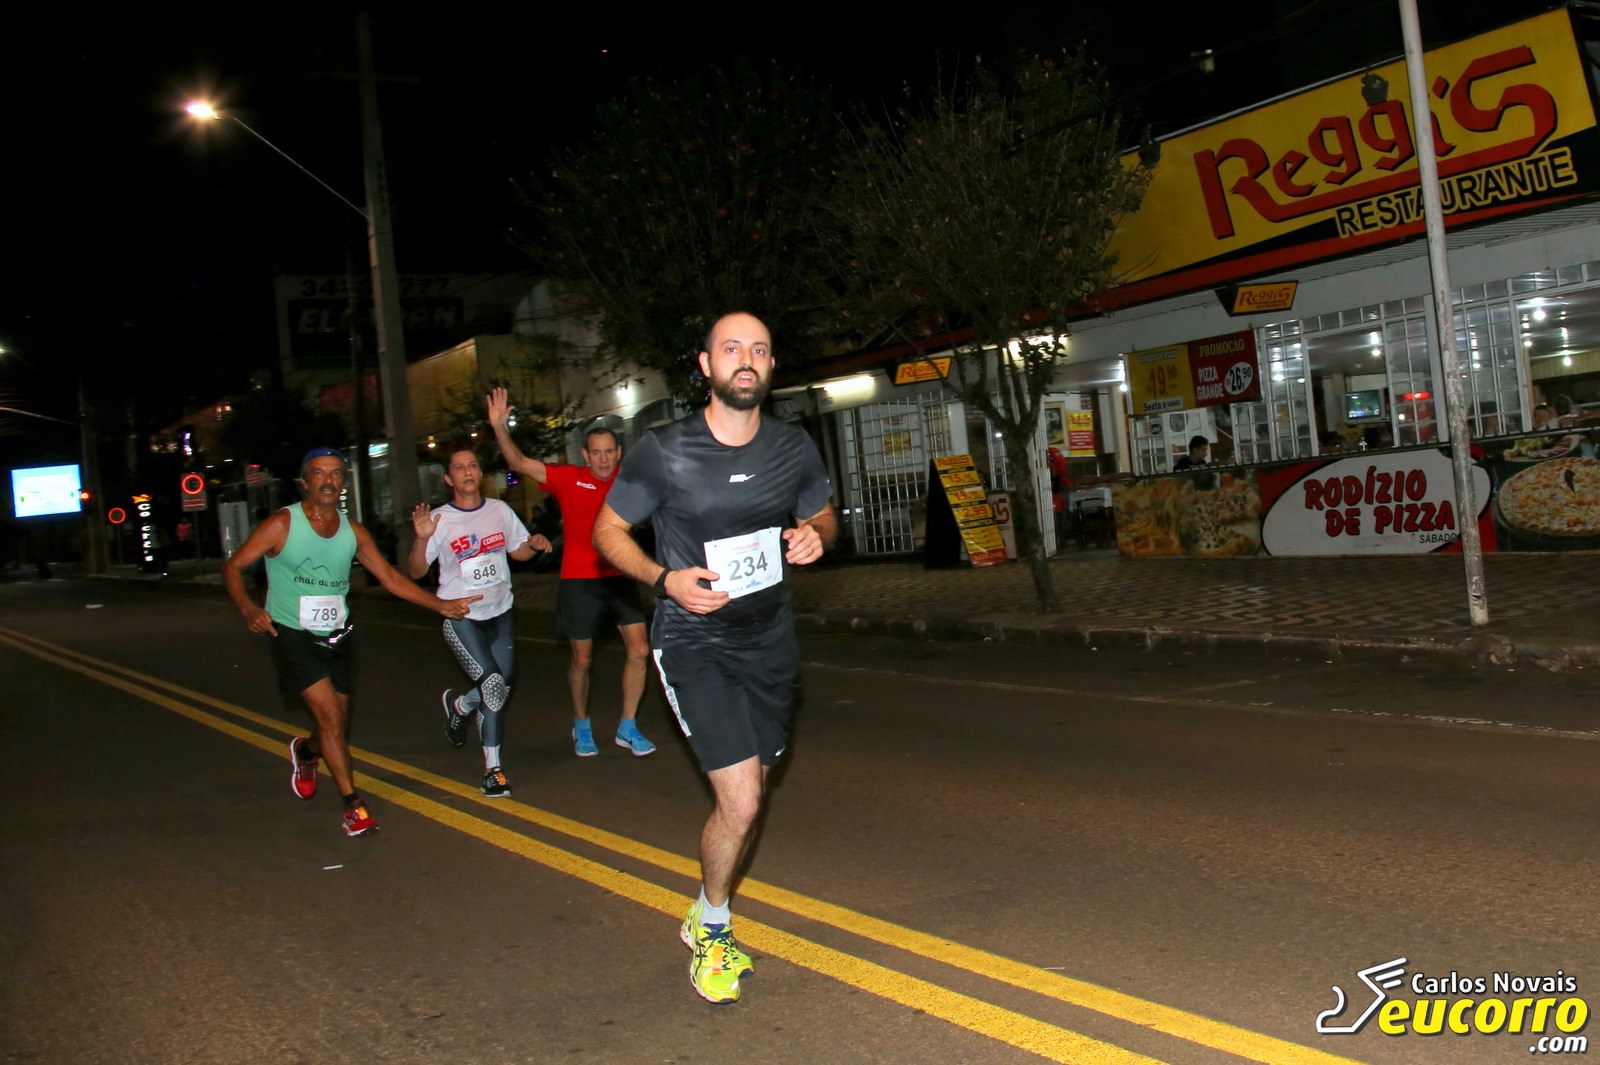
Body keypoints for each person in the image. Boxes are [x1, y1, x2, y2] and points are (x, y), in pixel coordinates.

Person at [593, 311, 837, 1005]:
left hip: (770, 643)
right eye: (732, 348)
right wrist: (663, 579)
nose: (746, 359)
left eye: (759, 349)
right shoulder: (664, 450)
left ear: (771, 365)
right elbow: (608, 530)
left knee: (752, 795)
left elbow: (822, 513)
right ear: (706, 364)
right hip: (693, 641)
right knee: (742, 798)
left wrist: (816, 535)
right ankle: (715, 930)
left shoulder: (792, 446)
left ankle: (702, 907)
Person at [223, 447, 481, 837]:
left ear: (344, 482)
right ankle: (352, 806)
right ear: (305, 481)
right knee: (329, 715)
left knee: (334, 723)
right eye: (319, 473)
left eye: (336, 474)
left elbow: (390, 578)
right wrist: (247, 609)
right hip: (291, 633)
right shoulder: (282, 524)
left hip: (337, 635)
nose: (328, 481)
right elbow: (234, 566)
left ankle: (306, 752)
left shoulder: (353, 532)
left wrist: (439, 605)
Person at [487, 389, 656, 758]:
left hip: (620, 575)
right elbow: (519, 463)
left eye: (609, 451)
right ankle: (581, 725)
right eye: (596, 452)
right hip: (579, 579)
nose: (603, 459)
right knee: (582, 659)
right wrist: (499, 427)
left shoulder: (629, 480)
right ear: (585, 455)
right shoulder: (568, 478)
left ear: (618, 452)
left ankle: (627, 727)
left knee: (641, 650)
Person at [407, 444, 551, 797]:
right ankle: (493, 770)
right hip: (462, 616)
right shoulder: (440, 519)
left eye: (473, 465)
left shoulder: (499, 510)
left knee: (499, 686)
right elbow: (416, 571)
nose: (468, 472)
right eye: (459, 467)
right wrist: (422, 539)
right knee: (493, 684)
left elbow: (517, 551)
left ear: (480, 474)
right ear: (448, 478)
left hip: (500, 612)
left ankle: (461, 706)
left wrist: (533, 545)